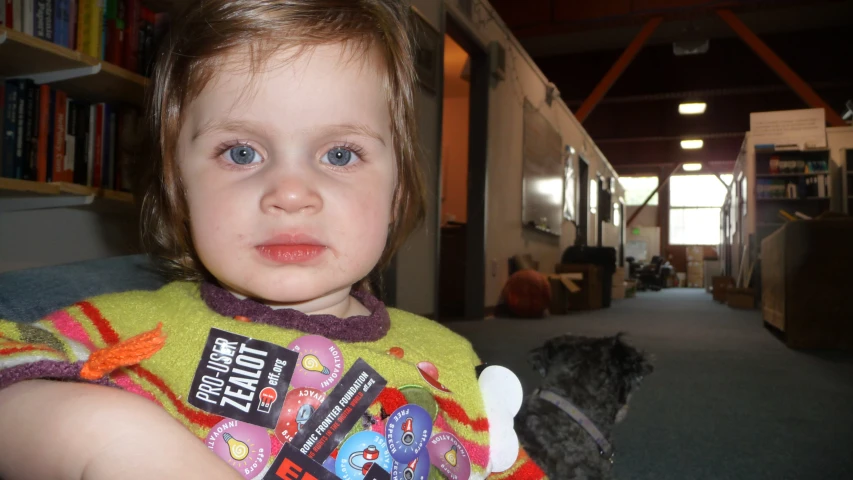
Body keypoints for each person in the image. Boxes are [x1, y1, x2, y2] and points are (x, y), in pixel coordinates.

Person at [0, 1, 546, 479]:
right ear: (178, 183)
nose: (289, 193)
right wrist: (109, 439)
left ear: (398, 189)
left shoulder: (449, 362)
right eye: (242, 152)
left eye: (339, 154)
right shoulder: (134, 331)